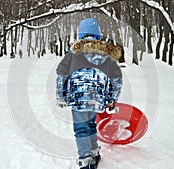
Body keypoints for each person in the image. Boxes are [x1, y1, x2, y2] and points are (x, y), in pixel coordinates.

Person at [56, 18, 123, 169]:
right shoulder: (107, 56)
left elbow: (61, 73)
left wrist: (61, 95)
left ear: (80, 35)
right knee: (90, 124)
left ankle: (86, 161)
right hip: (97, 98)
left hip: (78, 97)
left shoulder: (73, 53)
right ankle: (94, 152)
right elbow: (117, 78)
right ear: (98, 36)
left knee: (81, 128)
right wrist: (112, 99)